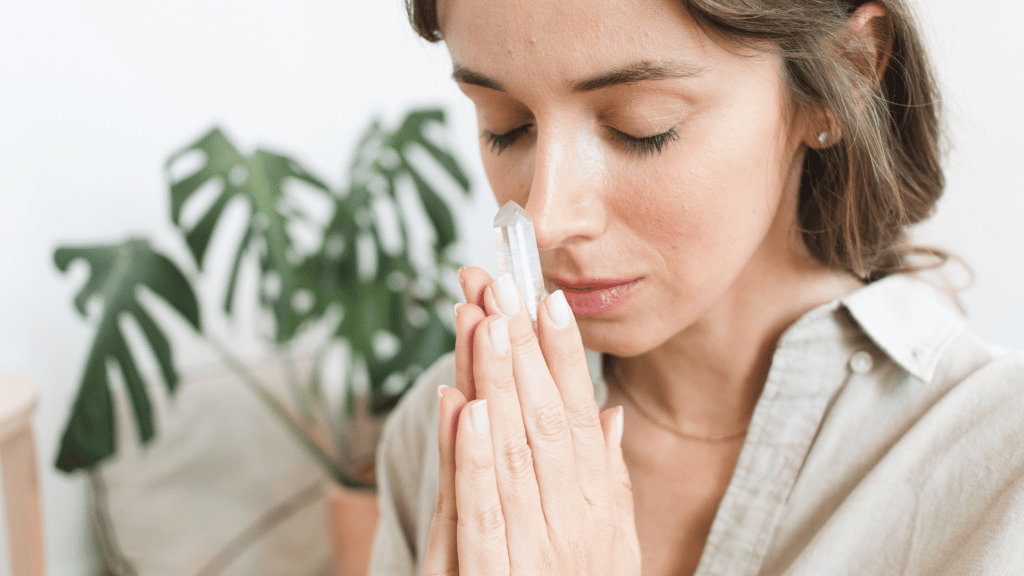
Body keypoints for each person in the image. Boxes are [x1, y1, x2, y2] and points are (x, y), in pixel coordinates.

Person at [369, 0, 1024, 574]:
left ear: (845, 74)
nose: (543, 219)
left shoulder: (1000, 472)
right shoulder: (451, 431)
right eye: (505, 124)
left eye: (641, 127)